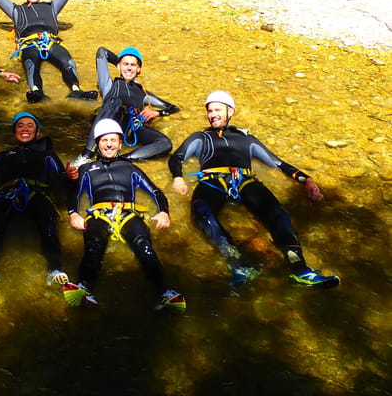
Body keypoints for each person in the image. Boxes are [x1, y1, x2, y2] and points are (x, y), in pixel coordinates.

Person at [168, 90, 340, 289]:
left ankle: (301, 270)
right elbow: (177, 157)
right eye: (209, 110)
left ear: (230, 111)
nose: (212, 114)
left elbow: (278, 163)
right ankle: (240, 265)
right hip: (212, 180)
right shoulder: (200, 137)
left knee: (278, 214)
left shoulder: (247, 139)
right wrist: (178, 177)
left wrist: (306, 180)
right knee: (202, 213)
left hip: (245, 180)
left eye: (217, 109)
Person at [62, 118, 186, 311]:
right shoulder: (85, 170)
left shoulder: (130, 168)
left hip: (129, 213)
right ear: (97, 144)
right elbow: (74, 194)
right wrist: (72, 213)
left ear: (120, 144)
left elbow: (156, 192)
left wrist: (164, 212)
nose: (109, 144)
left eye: (113, 140)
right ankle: (84, 288)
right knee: (94, 246)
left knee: (144, 246)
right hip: (99, 215)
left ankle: (165, 293)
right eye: (104, 140)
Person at [0, 111, 71, 286]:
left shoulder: (47, 155)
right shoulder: (5, 156)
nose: (24, 129)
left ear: (38, 132)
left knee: (47, 224)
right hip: (9, 194)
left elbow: (62, 180)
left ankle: (54, 269)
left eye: (30, 125)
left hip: (37, 194)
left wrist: (71, 178)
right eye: (20, 125)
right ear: (14, 132)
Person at [0, 0, 97, 103]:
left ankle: (76, 91)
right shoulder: (17, 11)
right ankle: (37, 92)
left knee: (67, 62)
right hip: (30, 44)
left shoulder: (52, 7)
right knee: (32, 66)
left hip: (51, 41)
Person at [72, 46, 180, 166]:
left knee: (165, 143)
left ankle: (121, 160)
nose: (129, 68)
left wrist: (157, 113)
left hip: (129, 131)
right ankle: (87, 155)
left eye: (133, 65)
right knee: (115, 102)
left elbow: (173, 108)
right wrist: (119, 61)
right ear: (119, 66)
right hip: (107, 126)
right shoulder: (108, 85)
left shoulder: (143, 94)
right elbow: (101, 52)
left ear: (138, 69)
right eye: (125, 64)